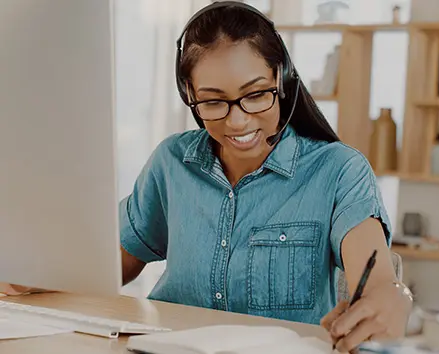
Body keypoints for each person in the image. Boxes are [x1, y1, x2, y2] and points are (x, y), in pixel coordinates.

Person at [1, 2, 413, 352]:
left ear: (282, 81)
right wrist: (36, 277)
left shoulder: (339, 170)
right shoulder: (172, 161)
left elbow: (374, 277)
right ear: (189, 95)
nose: (237, 121)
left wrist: (390, 298)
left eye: (255, 94)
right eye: (213, 102)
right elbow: (110, 266)